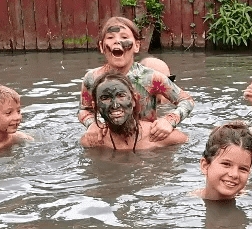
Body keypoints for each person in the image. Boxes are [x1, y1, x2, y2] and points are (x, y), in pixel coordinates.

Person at [78, 17, 194, 145]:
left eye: (124, 37)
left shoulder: (150, 77)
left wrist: (169, 121)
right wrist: (93, 124)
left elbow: (186, 100)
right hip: (114, 137)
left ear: (137, 46)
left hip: (148, 140)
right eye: (110, 38)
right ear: (101, 46)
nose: (117, 41)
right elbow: (84, 109)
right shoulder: (92, 78)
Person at [80, 73, 188, 152]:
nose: (115, 105)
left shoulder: (166, 138)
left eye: (121, 96)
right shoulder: (92, 142)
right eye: (105, 98)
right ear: (95, 106)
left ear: (133, 100)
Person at [199, 122, 252, 202]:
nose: (234, 174)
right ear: (205, 166)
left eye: (243, 169)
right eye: (226, 164)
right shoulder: (186, 203)